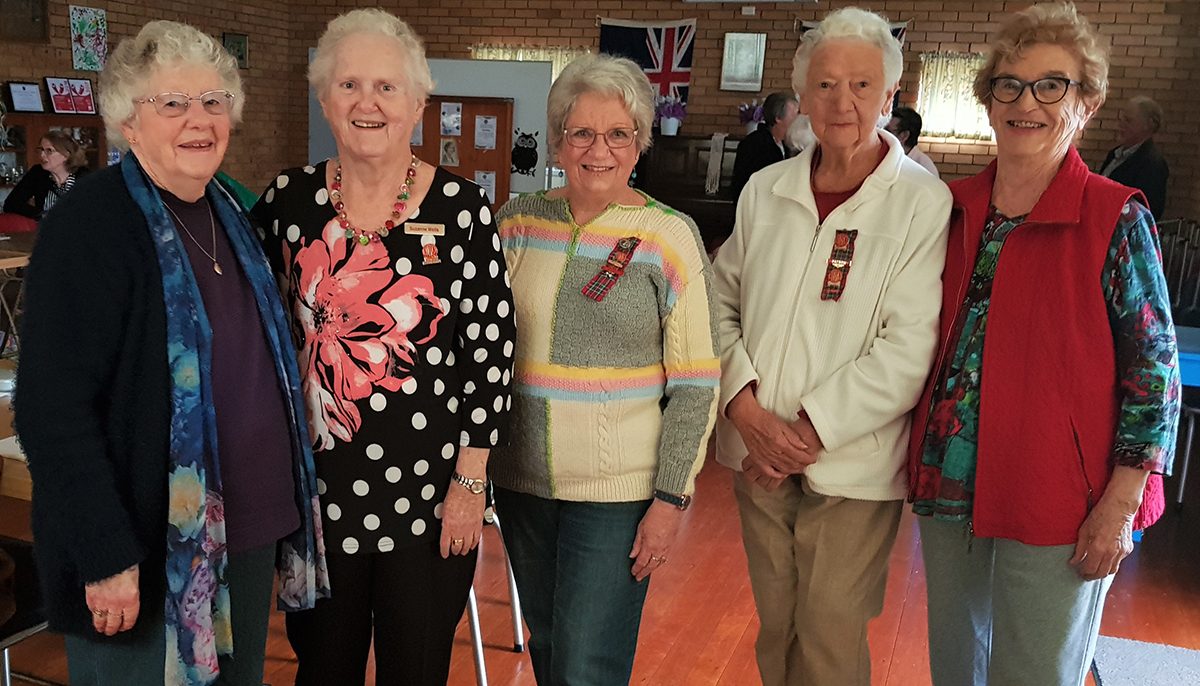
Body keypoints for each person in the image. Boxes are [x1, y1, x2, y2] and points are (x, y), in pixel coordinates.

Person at [15, 20, 327, 686]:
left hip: (241, 533)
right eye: (174, 103)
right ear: (129, 121)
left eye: (213, 102)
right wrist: (104, 555)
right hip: (141, 554)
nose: (199, 120)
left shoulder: (229, 211)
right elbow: (51, 410)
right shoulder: (91, 225)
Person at [906, 4, 1179, 685]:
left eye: (1051, 85)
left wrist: (1121, 504)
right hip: (948, 477)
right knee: (955, 665)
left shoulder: (1115, 215)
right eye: (1009, 84)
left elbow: (1156, 371)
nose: (1026, 102)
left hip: (1062, 493)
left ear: (1086, 103)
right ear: (988, 100)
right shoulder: (952, 206)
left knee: (1035, 672)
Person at [251, 9, 515, 685]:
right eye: (348, 85)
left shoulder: (462, 209)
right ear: (324, 97)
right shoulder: (288, 201)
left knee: (417, 668)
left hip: (429, 497)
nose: (366, 103)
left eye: (386, 87)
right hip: (316, 497)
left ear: (418, 102)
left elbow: (490, 353)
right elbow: (252, 328)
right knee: (324, 669)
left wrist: (470, 483)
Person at [711, 7, 952, 686]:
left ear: (890, 97)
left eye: (861, 85)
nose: (841, 101)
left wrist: (806, 433)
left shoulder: (920, 203)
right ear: (802, 94)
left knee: (829, 633)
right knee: (777, 624)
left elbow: (909, 346)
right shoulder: (765, 191)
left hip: (851, 464)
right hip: (755, 450)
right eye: (825, 85)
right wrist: (749, 413)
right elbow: (716, 302)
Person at [493, 53, 720, 685]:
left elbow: (696, 384)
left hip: (618, 495)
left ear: (641, 143)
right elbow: (482, 349)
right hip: (522, 481)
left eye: (618, 133)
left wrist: (671, 499)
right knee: (549, 643)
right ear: (558, 141)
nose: (600, 149)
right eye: (582, 133)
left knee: (588, 662)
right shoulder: (517, 221)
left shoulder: (667, 236)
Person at [1099, 94, 1169, 219]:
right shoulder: (1114, 154)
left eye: (1128, 120)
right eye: (1121, 119)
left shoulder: (1152, 164)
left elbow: (1148, 212)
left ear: (1148, 124)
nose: (1120, 125)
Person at [2, 129, 89, 219]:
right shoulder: (38, 173)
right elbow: (11, 204)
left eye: (49, 151)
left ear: (66, 155)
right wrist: (42, 215)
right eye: (41, 150)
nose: (42, 155)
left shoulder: (85, 177)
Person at [730, 91, 800, 199]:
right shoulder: (754, 144)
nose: (799, 120)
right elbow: (744, 185)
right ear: (778, 118)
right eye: (795, 115)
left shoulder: (787, 144)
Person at [885, 106, 940, 177]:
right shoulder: (888, 157)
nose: (882, 134)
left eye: (887, 131)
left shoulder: (925, 168)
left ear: (904, 136)